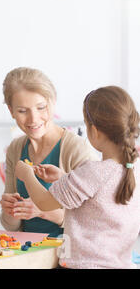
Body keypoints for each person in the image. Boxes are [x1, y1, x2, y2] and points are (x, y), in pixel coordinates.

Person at [15, 86, 140, 268]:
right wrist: (64, 178)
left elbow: (44, 202)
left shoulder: (93, 171)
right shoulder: (133, 168)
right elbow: (101, 196)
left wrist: (27, 176)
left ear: (94, 131)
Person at [0, 67, 97, 237]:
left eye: (41, 107)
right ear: (11, 110)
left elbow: (94, 222)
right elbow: (10, 227)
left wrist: (43, 210)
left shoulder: (76, 149)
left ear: (53, 102)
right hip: (28, 249)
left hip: (69, 254)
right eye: (22, 111)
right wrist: (11, 209)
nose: (33, 119)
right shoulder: (15, 149)